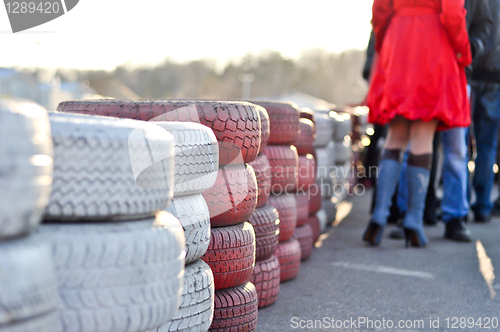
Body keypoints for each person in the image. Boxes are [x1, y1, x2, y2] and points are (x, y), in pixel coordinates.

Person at [362, 0, 472, 247]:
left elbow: (379, 10)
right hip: (433, 41)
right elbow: (453, 13)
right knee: (423, 136)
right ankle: (413, 218)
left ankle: (380, 213)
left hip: (398, 39)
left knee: (395, 136)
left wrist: (385, 42)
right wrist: (463, 52)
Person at [470, 0, 500, 222]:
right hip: (495, 79)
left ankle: (459, 204)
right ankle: (482, 205)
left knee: (458, 143)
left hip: (470, 71)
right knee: (487, 144)